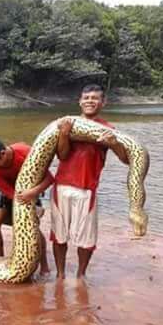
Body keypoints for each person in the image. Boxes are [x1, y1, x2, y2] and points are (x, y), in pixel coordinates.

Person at [52, 84, 129, 279]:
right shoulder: (67, 123)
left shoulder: (108, 130)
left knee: (86, 240)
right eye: (86, 98)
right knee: (59, 236)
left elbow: (125, 159)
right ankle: (60, 275)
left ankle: (80, 276)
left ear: (103, 102)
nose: (90, 101)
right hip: (61, 186)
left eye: (95, 98)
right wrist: (63, 133)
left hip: (88, 189)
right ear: (80, 101)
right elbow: (62, 155)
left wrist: (114, 143)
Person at [0, 136, 53, 274]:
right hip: (10, 192)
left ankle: (44, 265)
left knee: (32, 226)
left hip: (31, 190)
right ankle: (0, 260)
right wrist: (21, 205)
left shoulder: (26, 152)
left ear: (2, 154)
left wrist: (32, 194)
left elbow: (49, 178)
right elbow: (6, 190)